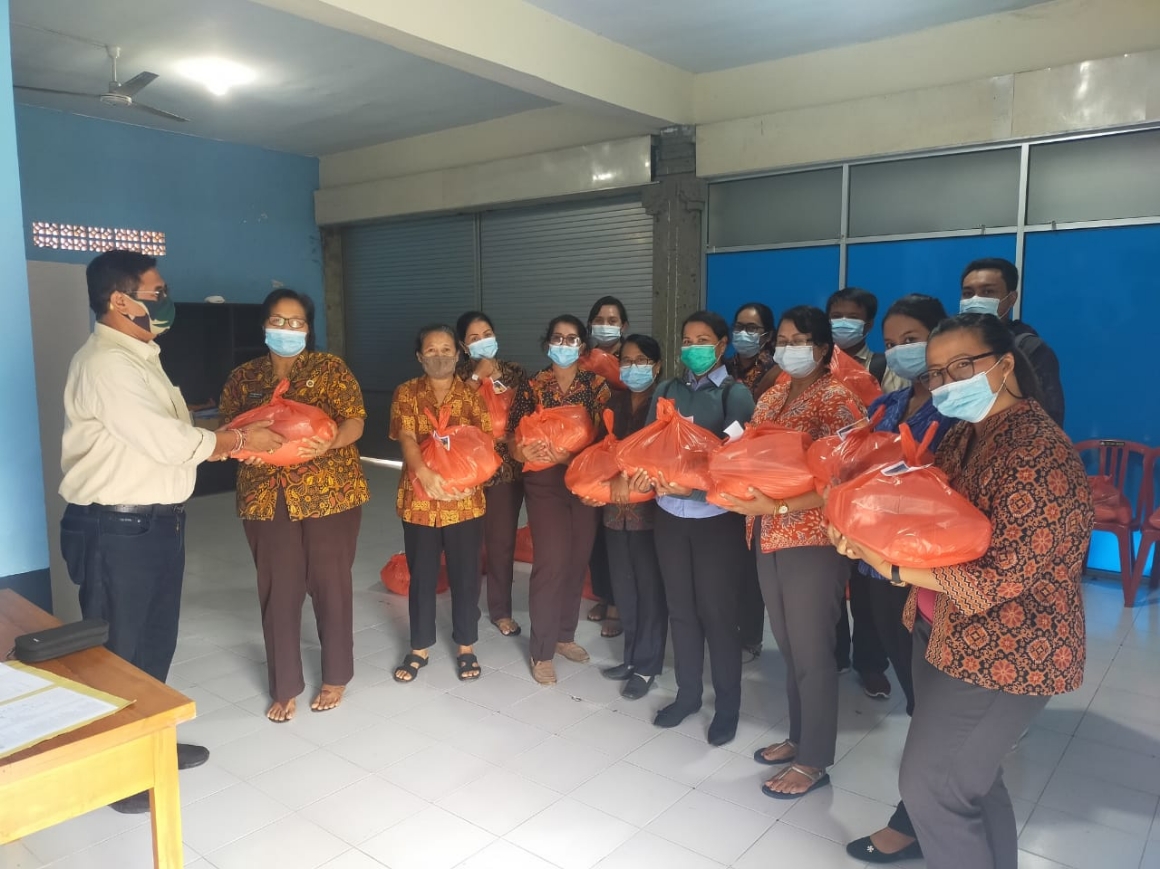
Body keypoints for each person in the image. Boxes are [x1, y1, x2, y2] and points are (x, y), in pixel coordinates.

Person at [832, 313, 1092, 869]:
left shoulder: (1039, 454)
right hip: (942, 632)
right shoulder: (965, 436)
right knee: (971, 782)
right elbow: (926, 515)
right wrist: (860, 517)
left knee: (931, 787)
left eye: (962, 367)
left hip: (1003, 652)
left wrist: (890, 566)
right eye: (937, 372)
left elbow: (998, 579)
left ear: (1004, 365)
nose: (947, 382)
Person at [59, 249, 283, 813]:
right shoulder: (106, 364)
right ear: (119, 299)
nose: (166, 301)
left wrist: (223, 434)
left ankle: (150, 743)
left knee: (155, 641)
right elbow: (166, 441)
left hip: (152, 523)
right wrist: (238, 442)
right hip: (117, 528)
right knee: (120, 650)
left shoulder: (139, 356)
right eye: (156, 292)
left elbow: (173, 430)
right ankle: (119, 774)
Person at [722, 306, 864, 799]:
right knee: (788, 645)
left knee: (812, 649)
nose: (787, 348)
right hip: (766, 532)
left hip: (812, 539)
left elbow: (845, 478)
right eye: (781, 340)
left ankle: (814, 759)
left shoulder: (838, 399)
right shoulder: (774, 393)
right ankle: (799, 736)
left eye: (798, 340)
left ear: (823, 348)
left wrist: (780, 504)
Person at [218, 289, 369, 723]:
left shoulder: (330, 369)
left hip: (330, 491)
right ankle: (284, 685)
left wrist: (332, 441)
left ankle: (336, 675)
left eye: (297, 322)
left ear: (308, 328)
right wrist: (242, 448)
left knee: (331, 583)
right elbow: (229, 429)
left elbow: (356, 419)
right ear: (265, 325)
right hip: (266, 497)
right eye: (279, 321)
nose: (288, 329)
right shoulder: (243, 378)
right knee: (278, 588)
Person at [648, 310, 755, 746]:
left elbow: (738, 462)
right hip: (669, 516)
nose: (693, 348)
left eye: (703, 339)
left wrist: (692, 488)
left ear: (722, 345)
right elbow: (649, 444)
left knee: (718, 614)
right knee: (681, 610)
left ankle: (727, 707)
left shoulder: (734, 394)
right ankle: (688, 695)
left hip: (715, 521)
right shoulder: (667, 390)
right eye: (688, 340)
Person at [509, 315, 611, 685]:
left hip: (584, 480)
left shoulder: (596, 385)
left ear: (582, 346)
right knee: (550, 562)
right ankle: (541, 651)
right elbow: (512, 439)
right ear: (547, 343)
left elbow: (607, 441)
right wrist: (523, 451)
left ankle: (565, 635)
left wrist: (571, 458)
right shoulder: (533, 385)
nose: (564, 344)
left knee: (576, 559)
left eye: (571, 339)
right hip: (545, 484)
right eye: (558, 338)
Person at [389, 325, 490, 684]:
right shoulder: (406, 392)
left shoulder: (471, 397)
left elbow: (483, 446)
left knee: (466, 576)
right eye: (431, 350)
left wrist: (468, 482)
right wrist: (424, 472)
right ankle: (419, 647)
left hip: (464, 501)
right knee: (422, 575)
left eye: (446, 349)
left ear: (458, 354)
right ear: (420, 356)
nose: (439, 356)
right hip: (419, 499)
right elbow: (405, 436)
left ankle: (466, 645)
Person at [827, 287, 902, 699]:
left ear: (868, 324)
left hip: (871, 490)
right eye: (835, 315)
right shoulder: (818, 365)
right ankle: (836, 652)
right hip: (827, 487)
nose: (841, 323)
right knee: (830, 581)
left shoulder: (883, 366)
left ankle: (871, 663)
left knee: (867, 586)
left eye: (851, 316)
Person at [593, 335, 667, 700]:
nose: (631, 367)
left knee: (649, 589)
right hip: (614, 510)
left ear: (656, 366)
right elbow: (599, 449)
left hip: (650, 514)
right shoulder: (614, 401)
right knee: (624, 587)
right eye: (626, 361)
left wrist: (629, 474)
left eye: (640, 361)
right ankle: (631, 659)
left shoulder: (664, 404)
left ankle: (648, 666)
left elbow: (667, 453)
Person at [456, 311, 528, 638]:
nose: (482, 341)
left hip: (506, 470)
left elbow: (527, 414)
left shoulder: (514, 372)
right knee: (467, 543)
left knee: (501, 542)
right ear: (463, 346)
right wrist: (476, 378)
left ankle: (501, 610)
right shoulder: (457, 376)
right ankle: (466, 609)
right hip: (468, 468)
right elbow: (451, 413)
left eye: (486, 334)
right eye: (473, 338)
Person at [726, 302, 780, 663]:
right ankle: (723, 626)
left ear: (767, 335)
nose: (743, 334)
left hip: (754, 476)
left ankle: (749, 636)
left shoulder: (776, 374)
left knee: (748, 564)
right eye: (739, 326)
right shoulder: (725, 367)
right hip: (720, 473)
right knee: (724, 559)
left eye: (752, 328)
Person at [959, 257, 1064, 426]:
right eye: (968, 294)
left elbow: (1049, 418)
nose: (975, 300)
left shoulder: (1029, 349)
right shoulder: (952, 349)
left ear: (1011, 298)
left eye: (988, 292)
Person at [585, 296, 630, 636]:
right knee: (595, 533)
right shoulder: (582, 358)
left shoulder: (633, 357)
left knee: (618, 532)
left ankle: (618, 603)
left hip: (622, 449)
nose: (605, 325)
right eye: (599, 320)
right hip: (590, 453)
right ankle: (602, 594)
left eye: (612, 320)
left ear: (623, 326)